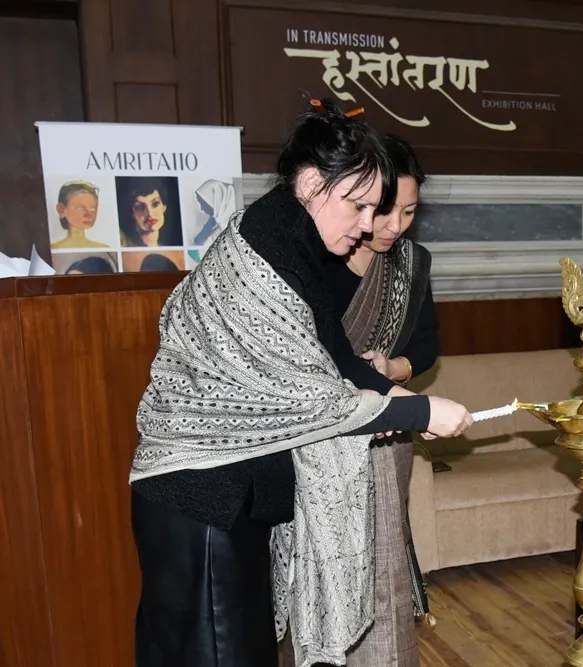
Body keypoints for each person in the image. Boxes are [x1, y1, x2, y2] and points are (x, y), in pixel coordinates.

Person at [127, 98, 473, 667]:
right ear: (312, 184)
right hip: (200, 501)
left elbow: (334, 356)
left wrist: (398, 392)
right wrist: (420, 413)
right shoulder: (269, 253)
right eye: (359, 207)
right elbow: (314, 398)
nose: (368, 225)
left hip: (229, 497)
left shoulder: (292, 236)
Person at [326, 134, 437, 666]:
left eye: (409, 213)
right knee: (325, 571)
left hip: (386, 437)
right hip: (319, 443)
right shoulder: (321, 254)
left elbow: (428, 346)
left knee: (384, 567)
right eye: (384, 211)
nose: (394, 227)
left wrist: (392, 370)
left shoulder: (411, 264)